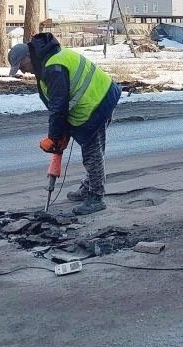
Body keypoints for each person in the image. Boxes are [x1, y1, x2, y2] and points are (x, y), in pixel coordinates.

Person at [8, 33, 122, 216]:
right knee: (92, 150)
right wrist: (62, 132)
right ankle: (89, 187)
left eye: (22, 66)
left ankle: (96, 197)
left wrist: (54, 138)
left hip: (98, 102)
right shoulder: (46, 62)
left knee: (92, 152)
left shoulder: (53, 66)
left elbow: (59, 106)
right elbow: (60, 103)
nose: (23, 72)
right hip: (96, 99)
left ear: (28, 57)